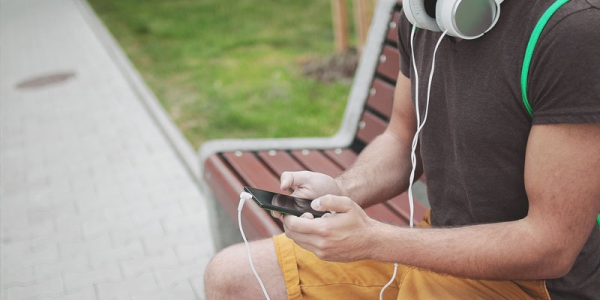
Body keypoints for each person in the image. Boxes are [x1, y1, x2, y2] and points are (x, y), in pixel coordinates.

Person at [204, 0, 600, 299]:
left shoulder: (572, 33)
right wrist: (339, 192)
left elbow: (551, 245)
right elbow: (401, 139)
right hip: (436, 247)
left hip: (531, 283)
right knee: (230, 277)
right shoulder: (424, 14)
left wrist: (374, 239)